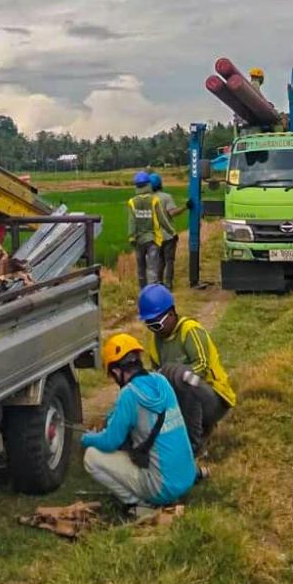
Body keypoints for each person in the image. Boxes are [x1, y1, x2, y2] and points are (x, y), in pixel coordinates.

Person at [81, 334, 198, 512]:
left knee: (91, 456)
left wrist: (87, 438)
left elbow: (110, 442)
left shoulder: (128, 394)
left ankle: (138, 505)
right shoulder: (161, 382)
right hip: (186, 476)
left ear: (116, 371)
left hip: (163, 488)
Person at [138, 284, 236, 453]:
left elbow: (202, 367)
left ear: (171, 314)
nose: (154, 330)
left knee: (184, 378)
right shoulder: (155, 342)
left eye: (157, 325)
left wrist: (174, 373)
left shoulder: (190, 331)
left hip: (213, 398)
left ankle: (193, 446)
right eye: (149, 325)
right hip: (181, 401)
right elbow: (156, 375)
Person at [147, 172, 187, 290]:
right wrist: (186, 207)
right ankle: (168, 284)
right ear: (160, 184)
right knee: (169, 261)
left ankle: (158, 283)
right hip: (168, 236)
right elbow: (173, 212)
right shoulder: (166, 197)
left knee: (159, 261)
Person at [128, 172, 164, 289]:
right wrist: (171, 231)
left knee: (141, 268)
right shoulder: (154, 200)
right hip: (152, 239)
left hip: (138, 240)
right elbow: (161, 219)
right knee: (152, 267)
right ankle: (152, 292)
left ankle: (142, 291)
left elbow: (132, 221)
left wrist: (131, 236)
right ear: (148, 185)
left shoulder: (132, 202)